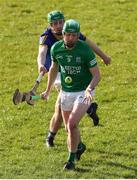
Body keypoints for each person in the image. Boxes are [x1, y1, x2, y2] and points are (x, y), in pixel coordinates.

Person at [34, 10, 111, 147]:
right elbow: (42, 52)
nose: (58, 25)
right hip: (58, 72)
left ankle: (58, 139)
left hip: (73, 72)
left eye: (60, 22)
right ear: (50, 25)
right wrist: (40, 65)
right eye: (55, 23)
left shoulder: (72, 32)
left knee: (60, 108)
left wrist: (104, 56)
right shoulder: (46, 36)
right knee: (60, 108)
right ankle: (85, 112)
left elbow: (90, 44)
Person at [41, 19, 101, 170]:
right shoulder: (56, 48)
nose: (71, 38)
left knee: (72, 123)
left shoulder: (85, 50)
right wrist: (48, 90)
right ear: (63, 34)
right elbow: (54, 70)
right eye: (68, 35)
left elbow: (97, 75)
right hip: (66, 92)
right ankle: (79, 148)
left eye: (74, 35)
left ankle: (71, 161)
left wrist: (89, 89)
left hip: (84, 91)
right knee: (69, 129)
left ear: (78, 35)